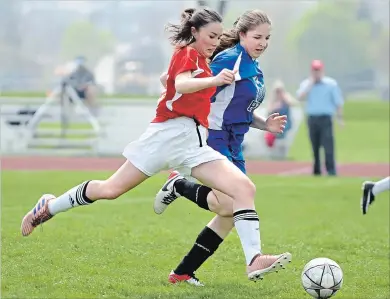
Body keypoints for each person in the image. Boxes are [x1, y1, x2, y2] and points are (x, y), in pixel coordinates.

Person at [20, 7, 284, 283]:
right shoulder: (188, 54)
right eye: (210, 36)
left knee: (244, 189)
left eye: (218, 37)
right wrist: (207, 80)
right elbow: (181, 84)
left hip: (194, 141)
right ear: (194, 32)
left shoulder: (206, 62)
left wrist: (180, 81)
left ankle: (254, 260)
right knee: (110, 190)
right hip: (165, 137)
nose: (215, 43)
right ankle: (49, 206)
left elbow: (170, 81)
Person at [153, 10, 292, 286]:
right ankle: (254, 259)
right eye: (257, 37)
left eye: (267, 38)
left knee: (229, 210)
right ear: (242, 35)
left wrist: (266, 125)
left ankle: (182, 272)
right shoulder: (229, 60)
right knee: (235, 201)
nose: (263, 42)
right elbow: (184, 84)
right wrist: (170, 99)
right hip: (214, 137)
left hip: (234, 142)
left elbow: (237, 109)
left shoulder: (253, 64)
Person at [296, 60, 344, 176]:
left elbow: (338, 102)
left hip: (325, 118)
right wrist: (310, 84)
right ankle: (316, 170)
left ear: (322, 71)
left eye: (318, 71)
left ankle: (331, 170)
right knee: (315, 145)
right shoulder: (307, 84)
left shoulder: (331, 84)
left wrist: (340, 118)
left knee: (328, 145)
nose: (316, 73)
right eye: (314, 71)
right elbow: (300, 97)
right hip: (312, 118)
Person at [264, 79, 299, 158]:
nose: (279, 93)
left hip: (285, 123)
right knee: (270, 132)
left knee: (279, 130)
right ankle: (273, 154)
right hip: (275, 124)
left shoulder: (286, 98)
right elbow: (268, 111)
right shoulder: (273, 100)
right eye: (277, 91)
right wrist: (274, 107)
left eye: (280, 91)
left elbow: (293, 103)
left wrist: (285, 98)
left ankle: (280, 153)